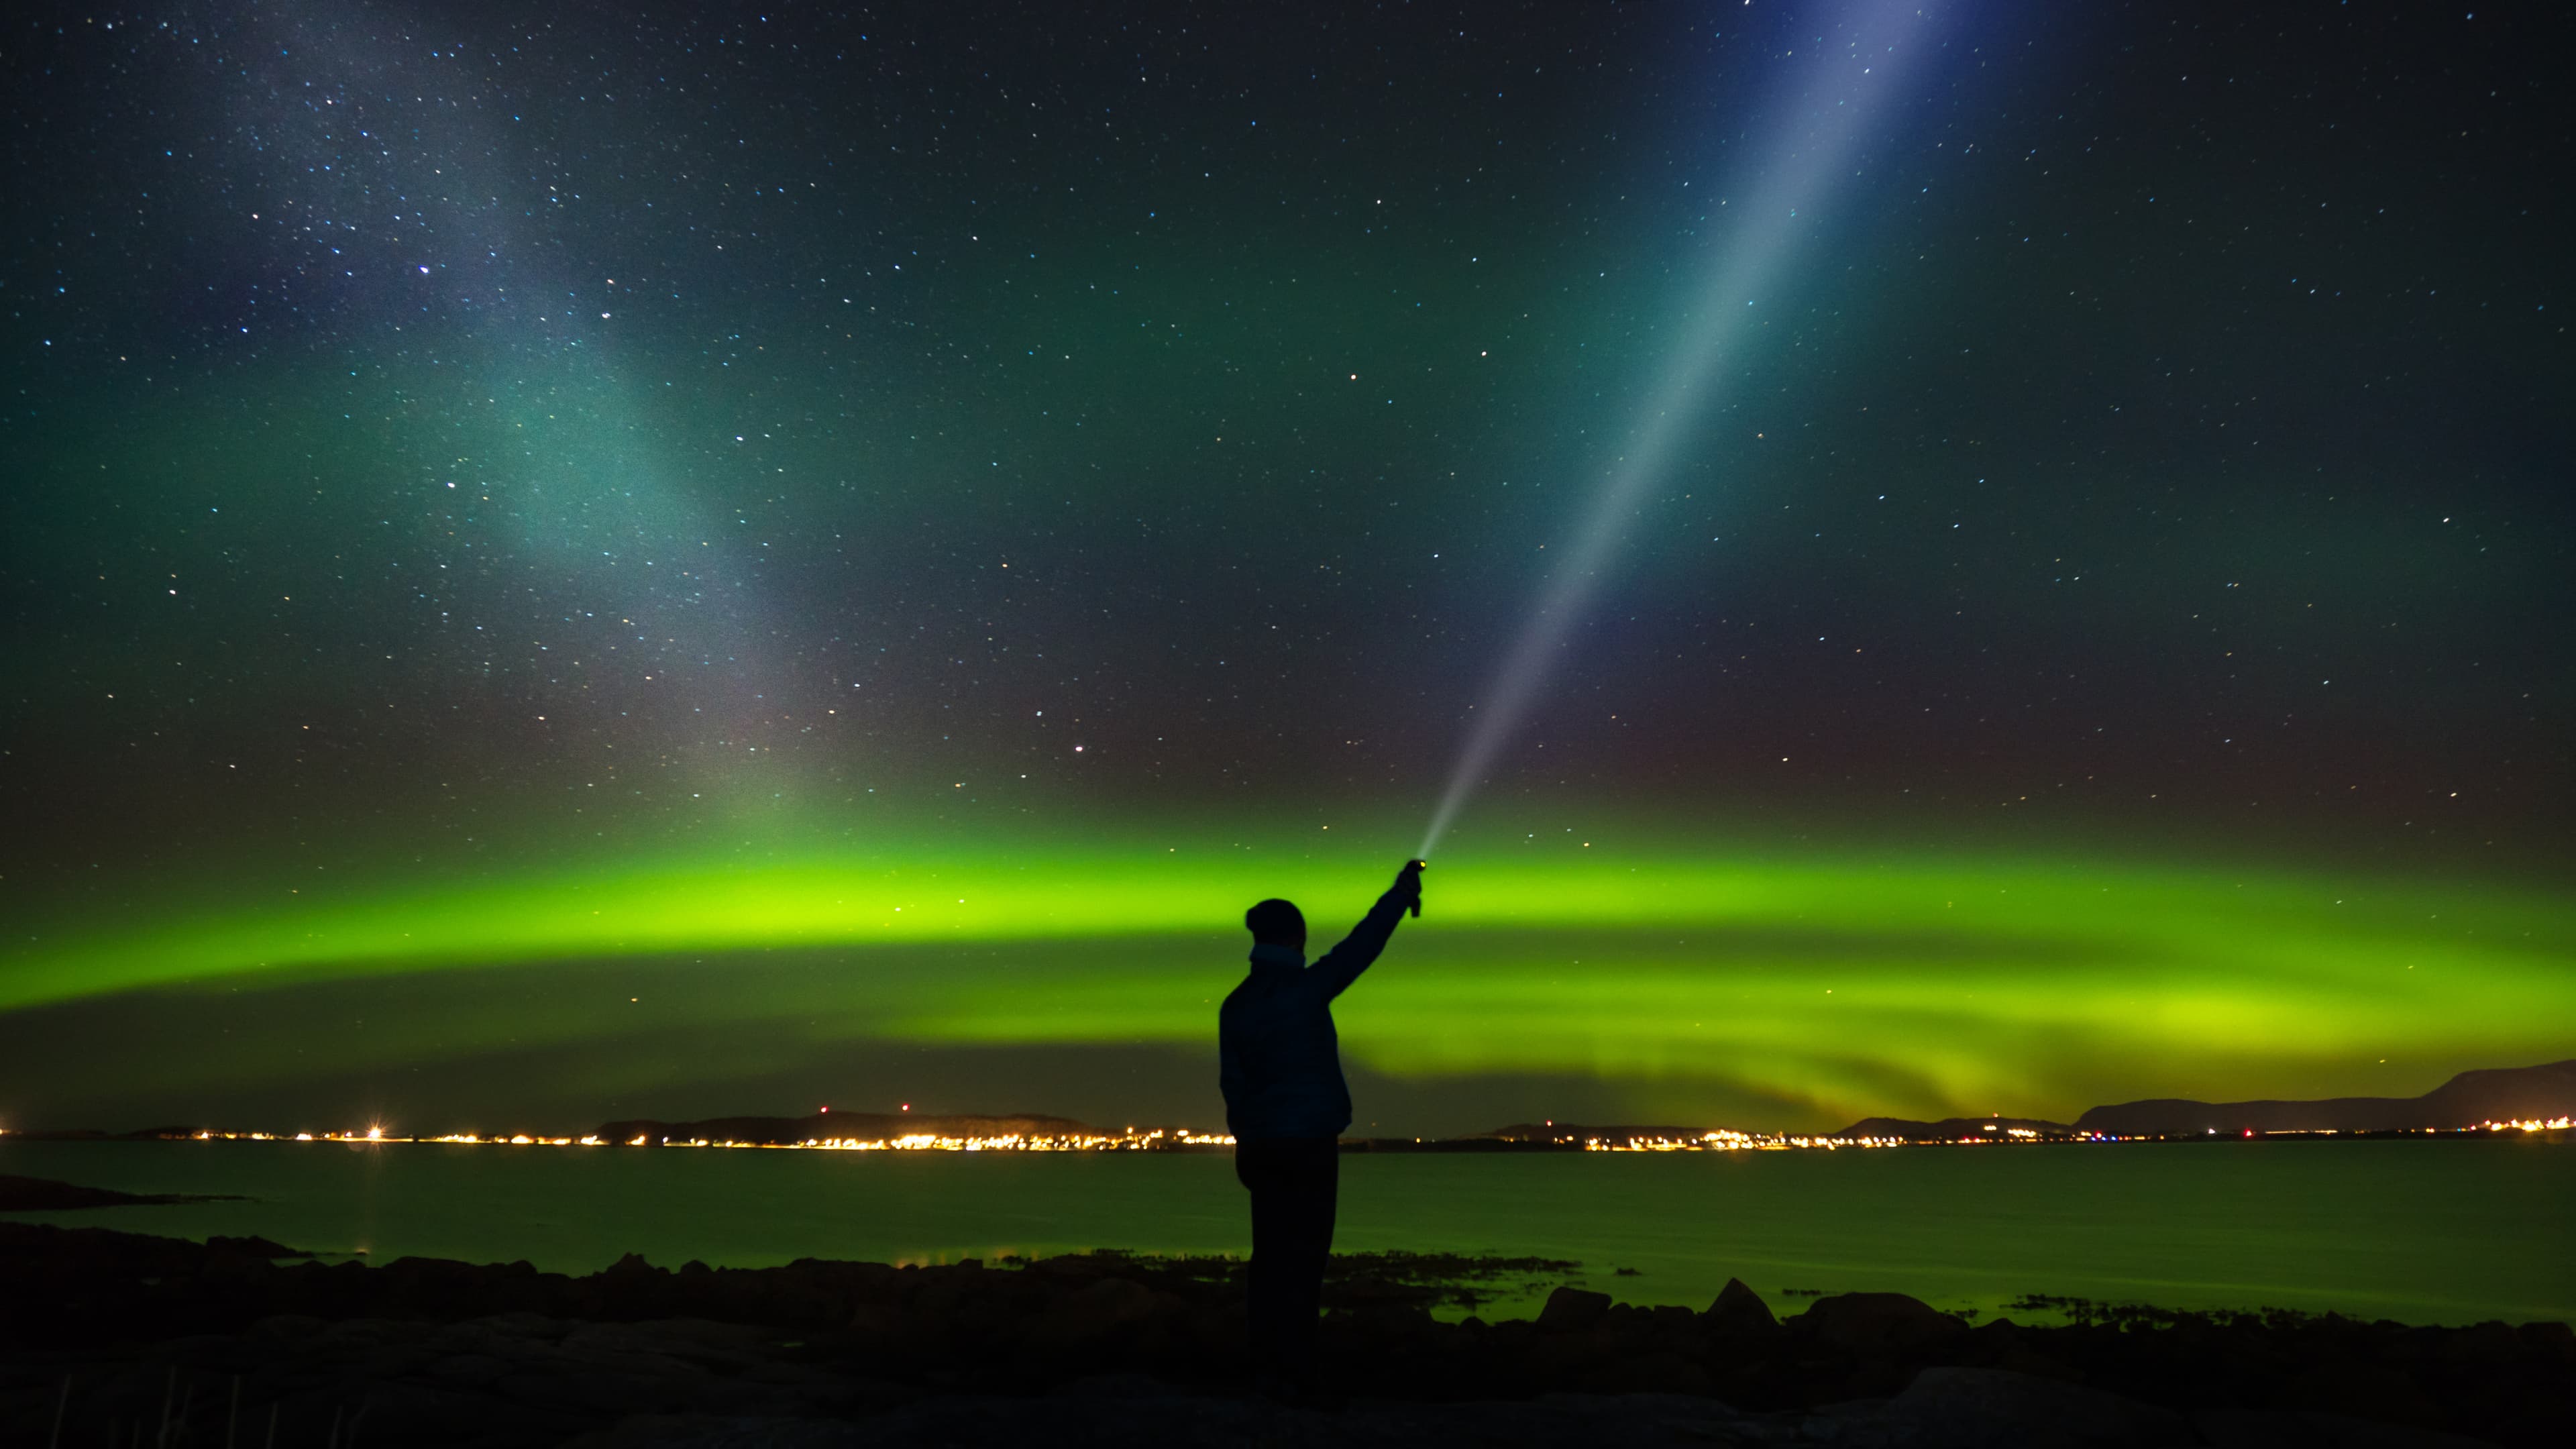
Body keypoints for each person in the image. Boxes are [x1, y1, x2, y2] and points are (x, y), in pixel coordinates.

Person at [1218, 857, 1424, 1402]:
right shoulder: (1305, 991)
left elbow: (1233, 1086)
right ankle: (1296, 1369)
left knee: (1269, 1258)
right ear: (1296, 938)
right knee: (1305, 1259)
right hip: (1308, 1143)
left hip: (1262, 1146)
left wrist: (1245, 1145)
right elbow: (1363, 946)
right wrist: (1400, 895)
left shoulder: (1235, 1006)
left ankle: (1263, 1363)